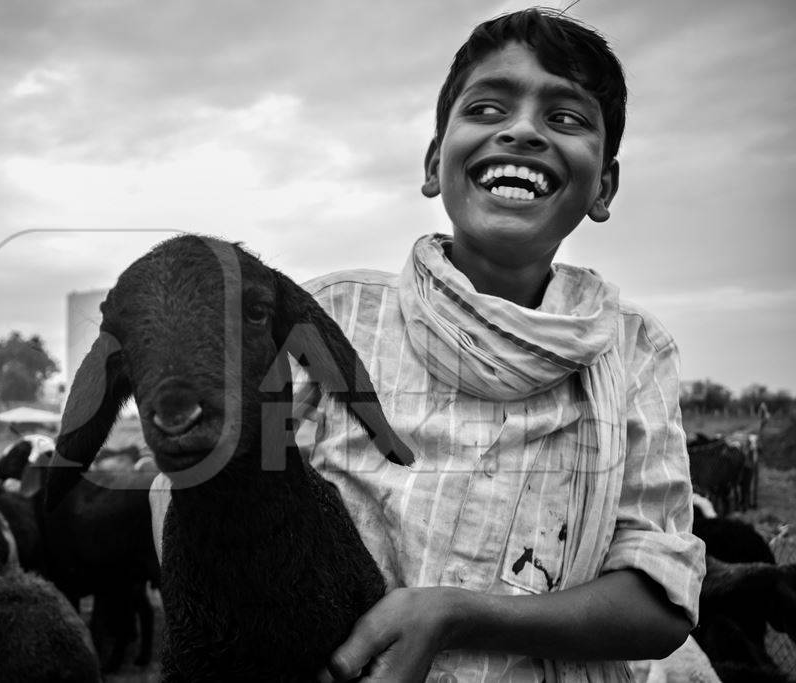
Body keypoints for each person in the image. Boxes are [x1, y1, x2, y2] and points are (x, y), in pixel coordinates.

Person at [295, 8, 704, 681]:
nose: (521, 130)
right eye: (487, 108)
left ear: (603, 185)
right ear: (434, 163)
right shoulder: (326, 319)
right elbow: (206, 498)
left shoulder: (633, 351)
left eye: (566, 118)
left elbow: (660, 599)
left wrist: (457, 613)